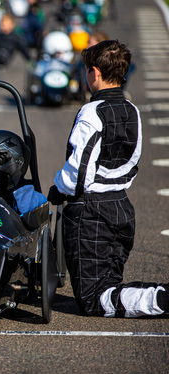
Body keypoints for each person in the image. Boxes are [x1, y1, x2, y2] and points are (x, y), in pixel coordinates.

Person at [47, 40, 169, 318]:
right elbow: (132, 159)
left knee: (96, 300)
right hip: (122, 206)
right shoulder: (132, 110)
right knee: (108, 286)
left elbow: (79, 171)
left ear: (95, 72)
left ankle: (161, 299)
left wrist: (58, 188)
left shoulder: (92, 112)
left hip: (91, 214)